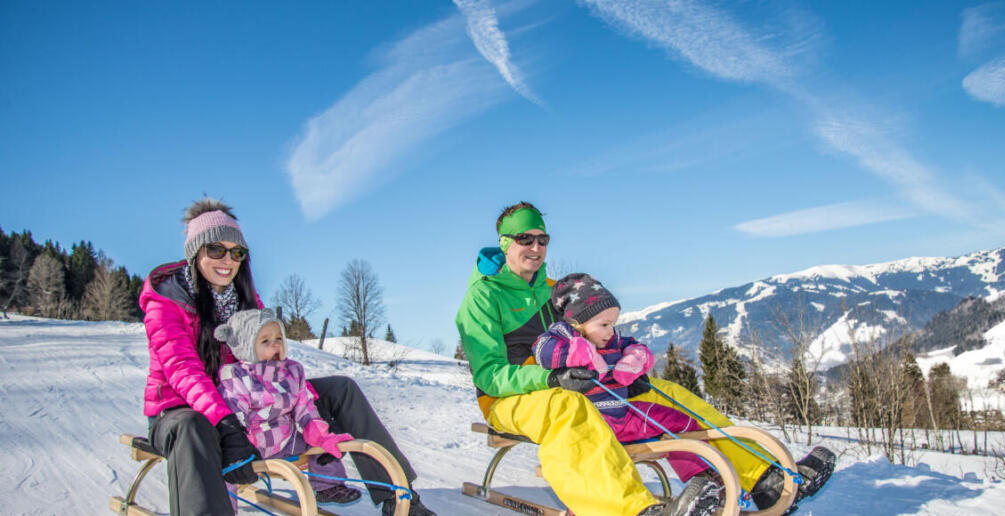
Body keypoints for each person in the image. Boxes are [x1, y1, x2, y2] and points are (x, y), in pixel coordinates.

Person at [456, 202, 828, 516]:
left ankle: (764, 478)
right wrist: (550, 378)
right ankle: (632, 509)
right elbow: (489, 375)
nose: (536, 247)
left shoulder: (555, 291)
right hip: (509, 399)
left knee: (667, 393)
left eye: (543, 239)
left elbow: (596, 337)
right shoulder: (483, 297)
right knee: (566, 408)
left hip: (580, 384)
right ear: (505, 243)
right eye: (525, 239)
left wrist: (622, 369)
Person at [141, 197, 435, 515]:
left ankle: (400, 498)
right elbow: (182, 369)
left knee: (340, 389)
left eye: (236, 252)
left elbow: (273, 362)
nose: (227, 260)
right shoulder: (166, 301)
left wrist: (306, 401)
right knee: (192, 426)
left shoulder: (244, 299)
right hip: (183, 412)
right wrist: (226, 423)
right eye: (216, 250)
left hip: (249, 402)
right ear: (195, 252)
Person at [533, 273, 724, 504]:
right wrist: (578, 352)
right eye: (604, 325)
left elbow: (637, 347)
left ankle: (703, 481)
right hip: (591, 427)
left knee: (680, 422)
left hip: (624, 416)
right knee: (594, 470)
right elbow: (542, 350)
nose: (610, 331)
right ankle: (590, 508)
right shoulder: (563, 335)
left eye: (613, 324)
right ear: (578, 323)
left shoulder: (613, 340)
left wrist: (635, 357)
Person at [214, 308, 360, 509]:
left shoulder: (292, 371)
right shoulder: (237, 376)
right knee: (226, 468)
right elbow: (237, 415)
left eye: (279, 338)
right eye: (265, 341)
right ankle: (223, 509)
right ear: (247, 347)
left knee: (319, 442)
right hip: (251, 448)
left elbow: (305, 408)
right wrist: (242, 450)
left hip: (286, 443)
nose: (275, 344)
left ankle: (328, 486)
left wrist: (322, 435)